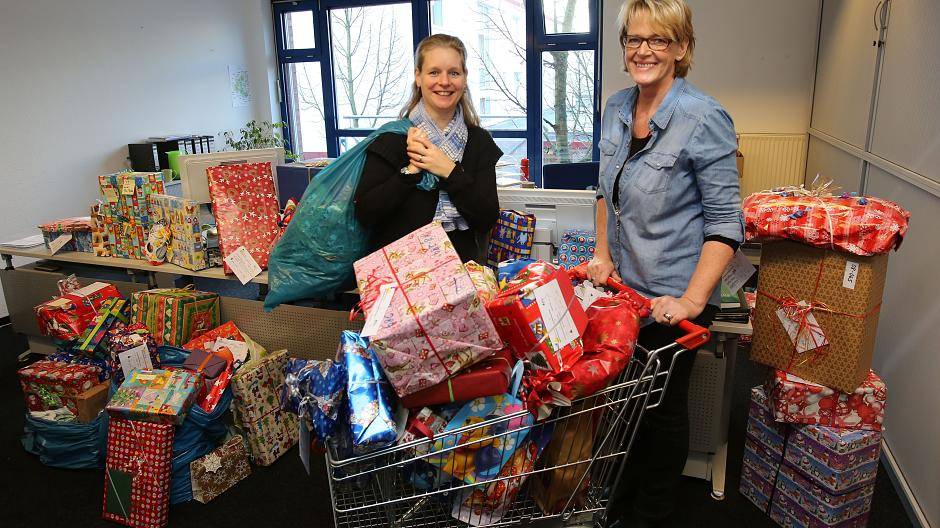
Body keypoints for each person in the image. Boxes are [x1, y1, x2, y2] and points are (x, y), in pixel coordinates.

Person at [586, 1, 744, 526]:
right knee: (627, 405)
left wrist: (693, 300)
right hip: (623, 295)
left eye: (659, 39)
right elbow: (604, 194)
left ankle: (650, 514)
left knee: (661, 411)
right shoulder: (615, 107)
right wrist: (603, 255)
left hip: (673, 299)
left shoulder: (704, 118)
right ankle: (619, 501)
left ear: (682, 47)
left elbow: (726, 225)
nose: (644, 50)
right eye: (635, 39)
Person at [354, 34, 501, 263]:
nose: (444, 81)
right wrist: (411, 171)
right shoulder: (393, 138)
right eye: (434, 72)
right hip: (400, 278)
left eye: (454, 72)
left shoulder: (479, 142)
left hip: (461, 277)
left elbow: (486, 219)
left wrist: (450, 171)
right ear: (418, 77)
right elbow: (365, 214)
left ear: (464, 78)